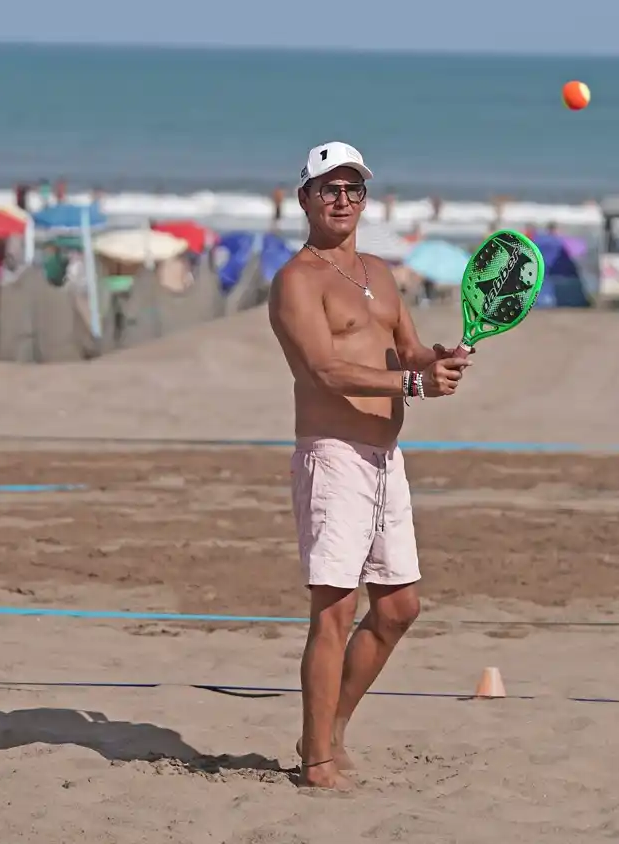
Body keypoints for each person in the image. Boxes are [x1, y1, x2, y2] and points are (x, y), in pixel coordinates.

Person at [267, 143, 472, 791]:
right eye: (328, 189)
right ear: (304, 198)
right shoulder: (296, 279)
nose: (342, 200)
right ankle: (318, 761)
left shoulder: (380, 272)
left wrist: (436, 358)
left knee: (399, 608)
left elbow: (406, 349)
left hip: (387, 459)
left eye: (353, 189)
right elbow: (322, 369)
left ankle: (324, 733)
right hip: (334, 457)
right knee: (334, 610)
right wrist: (414, 387)